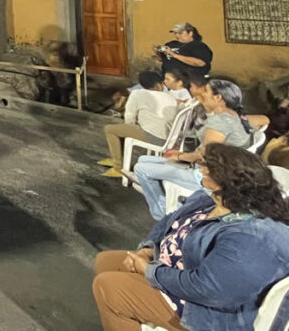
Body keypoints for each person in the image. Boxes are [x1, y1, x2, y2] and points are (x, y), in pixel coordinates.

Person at [93, 143, 289, 331]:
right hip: (173, 269)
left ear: (225, 180)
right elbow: (169, 221)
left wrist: (149, 271)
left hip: (203, 310)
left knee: (109, 288)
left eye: (205, 167)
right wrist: (147, 249)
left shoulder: (252, 237)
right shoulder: (210, 200)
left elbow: (210, 290)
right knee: (106, 261)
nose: (199, 169)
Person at [132, 79, 253, 219]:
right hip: (219, 169)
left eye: (206, 91)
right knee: (144, 159)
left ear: (218, 97)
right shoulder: (234, 115)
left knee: (141, 168)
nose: (203, 94)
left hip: (208, 176)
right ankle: (163, 194)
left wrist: (179, 156)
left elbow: (204, 155)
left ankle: (162, 214)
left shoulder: (220, 122)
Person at [99, 72, 176, 178]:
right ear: (158, 85)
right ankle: (116, 157)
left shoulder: (137, 94)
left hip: (154, 138)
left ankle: (118, 168)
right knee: (122, 129)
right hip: (170, 138)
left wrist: (131, 126)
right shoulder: (170, 97)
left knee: (110, 129)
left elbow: (129, 118)